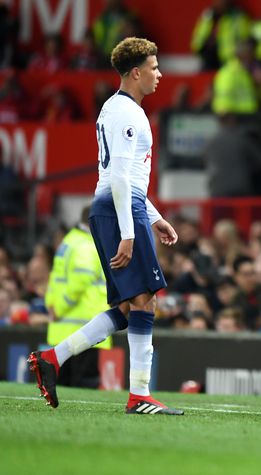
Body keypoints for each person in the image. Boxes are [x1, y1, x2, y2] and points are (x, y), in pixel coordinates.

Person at [27, 37, 183, 415]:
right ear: (136, 72)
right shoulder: (127, 113)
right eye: (154, 67)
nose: (159, 74)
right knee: (145, 301)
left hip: (116, 207)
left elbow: (124, 176)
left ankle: (52, 357)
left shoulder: (117, 110)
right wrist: (131, 231)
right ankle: (139, 396)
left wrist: (155, 215)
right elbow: (117, 177)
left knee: (131, 306)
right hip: (118, 210)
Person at [44, 206, 109, 388]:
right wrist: (60, 308)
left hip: (65, 326)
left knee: (64, 383)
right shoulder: (88, 245)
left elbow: (55, 278)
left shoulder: (68, 241)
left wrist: (51, 305)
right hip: (85, 326)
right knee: (84, 383)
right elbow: (79, 282)